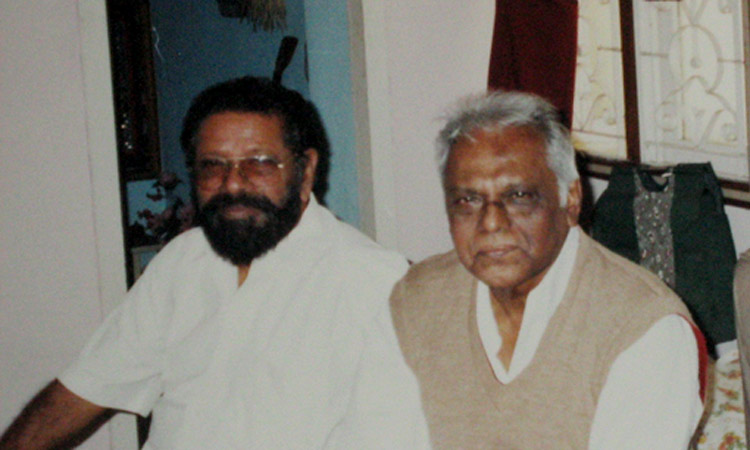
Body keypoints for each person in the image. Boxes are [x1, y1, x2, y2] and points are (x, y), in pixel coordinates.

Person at [1, 76, 429, 449]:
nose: (233, 184)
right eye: (212, 166)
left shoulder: (376, 284)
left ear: (306, 170)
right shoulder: (182, 263)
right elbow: (84, 389)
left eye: (259, 163)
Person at [389, 90, 707, 448]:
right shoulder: (415, 299)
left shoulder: (643, 328)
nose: (491, 222)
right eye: (468, 200)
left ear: (570, 199)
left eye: (518, 196)